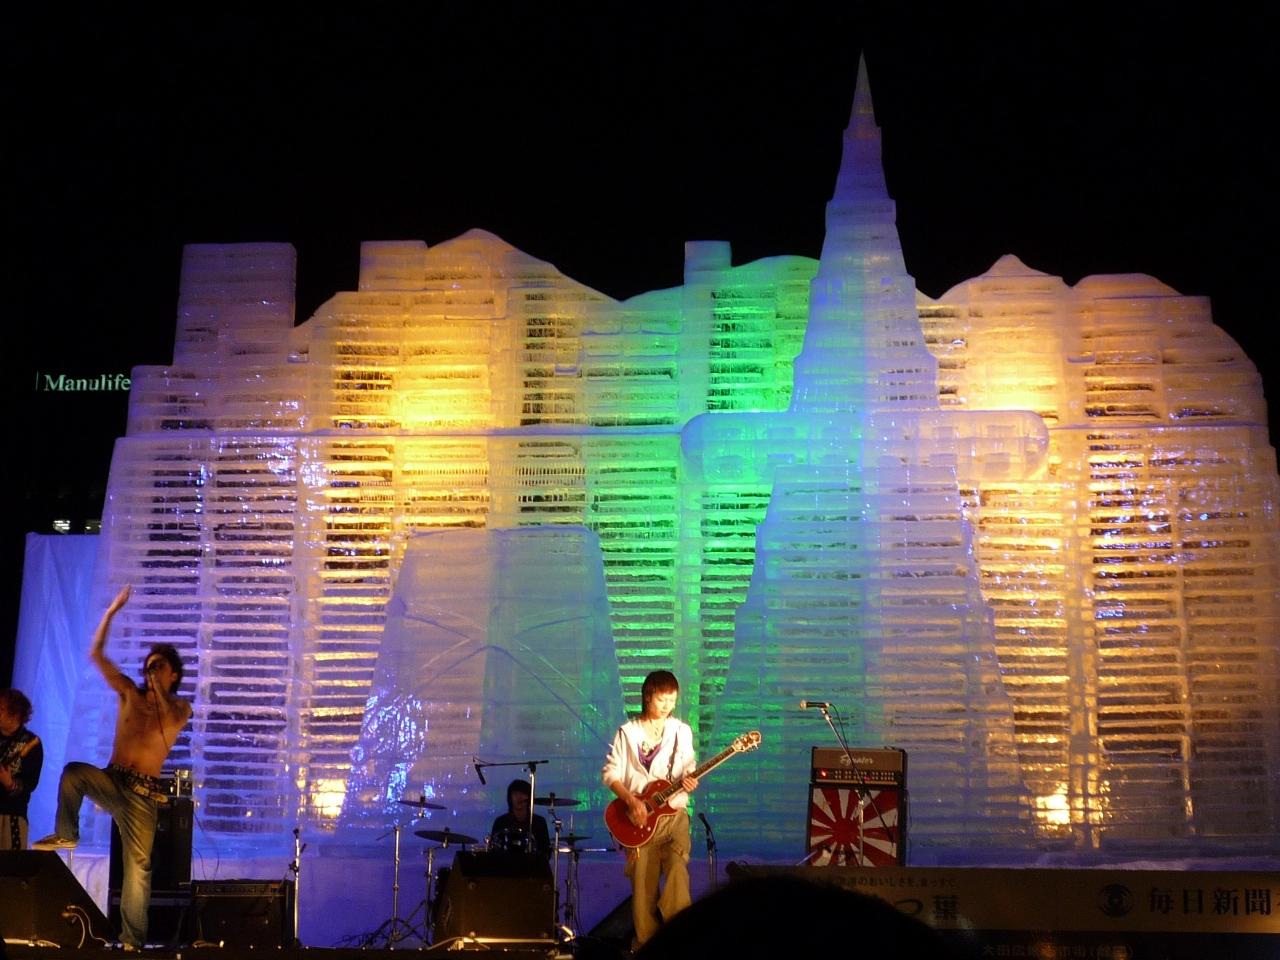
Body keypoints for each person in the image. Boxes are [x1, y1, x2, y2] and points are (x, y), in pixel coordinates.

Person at [34, 585, 192, 951]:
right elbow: (96, 654)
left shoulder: (179, 707)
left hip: (143, 796)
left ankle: (132, 942)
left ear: (173, 674)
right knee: (74, 772)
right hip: (113, 779)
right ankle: (66, 833)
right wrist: (110, 612)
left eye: (160, 666)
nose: (153, 669)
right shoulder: (129, 693)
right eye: (150, 664)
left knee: (139, 868)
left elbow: (169, 714)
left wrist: (158, 688)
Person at [602, 669, 699, 948]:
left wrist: (689, 781)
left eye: (672, 700)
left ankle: (680, 941)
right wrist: (631, 801)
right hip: (640, 819)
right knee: (643, 889)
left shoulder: (681, 731)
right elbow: (610, 773)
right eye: (661, 699)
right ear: (648, 697)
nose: (667, 706)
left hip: (673, 817)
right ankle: (646, 945)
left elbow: (688, 768)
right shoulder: (628, 732)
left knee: (678, 871)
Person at [0, 688, 43, 850]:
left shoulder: (31, 743)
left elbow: (30, 783)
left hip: (11, 815)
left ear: (16, 714)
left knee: (11, 863)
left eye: (1, 709)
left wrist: (10, 783)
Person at [489, 778, 551, 858]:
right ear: (510, 797)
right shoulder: (500, 822)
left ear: (529, 798)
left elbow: (546, 851)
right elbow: (493, 849)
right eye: (515, 794)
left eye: (523, 794)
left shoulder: (539, 822)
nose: (519, 797)